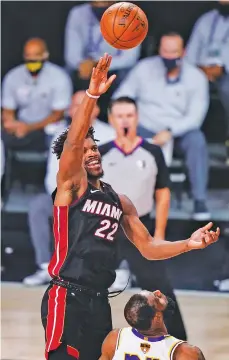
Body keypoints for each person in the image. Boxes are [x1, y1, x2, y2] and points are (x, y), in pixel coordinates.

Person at [41, 53, 220, 360]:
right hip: (66, 295)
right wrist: (92, 95)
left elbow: (148, 247)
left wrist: (188, 244)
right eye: (84, 150)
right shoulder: (70, 189)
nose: (92, 153)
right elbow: (73, 142)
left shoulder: (119, 200)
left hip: (99, 300)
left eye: (95, 147)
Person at [99, 96, 186, 340]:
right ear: (111, 119)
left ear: (137, 118)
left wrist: (158, 234)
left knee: (162, 292)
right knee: (91, 287)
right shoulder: (102, 153)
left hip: (142, 229)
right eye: (119, 115)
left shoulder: (152, 151)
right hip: (106, 228)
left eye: (129, 115)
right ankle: (91, 342)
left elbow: (163, 193)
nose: (124, 120)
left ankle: (176, 343)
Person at [113, 32, 210, 220]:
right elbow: (121, 97)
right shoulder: (143, 69)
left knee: (197, 141)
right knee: (124, 139)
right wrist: (130, 121)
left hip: (179, 129)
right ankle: (130, 199)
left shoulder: (196, 77)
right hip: (144, 125)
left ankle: (200, 200)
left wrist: (170, 132)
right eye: (165, 51)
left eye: (173, 52)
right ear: (159, 50)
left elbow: (195, 117)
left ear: (184, 52)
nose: (168, 57)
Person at [23, 90, 115, 286]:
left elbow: (111, 176)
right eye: (76, 105)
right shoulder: (60, 136)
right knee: (38, 206)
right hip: (65, 196)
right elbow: (51, 177)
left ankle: (116, 269)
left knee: (120, 206)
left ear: (96, 109)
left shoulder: (109, 135)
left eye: (85, 105)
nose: (79, 110)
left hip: (98, 197)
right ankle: (46, 267)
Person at [2, 38, 72, 150]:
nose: (32, 59)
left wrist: (29, 128)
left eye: (36, 55)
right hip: (21, 125)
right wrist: (11, 123)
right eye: (28, 55)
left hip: (49, 128)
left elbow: (58, 114)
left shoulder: (59, 77)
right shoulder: (13, 76)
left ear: (45, 55)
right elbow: (8, 109)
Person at [99, 290, 206, 359]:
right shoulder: (185, 353)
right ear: (157, 317)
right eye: (156, 298)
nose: (158, 292)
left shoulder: (114, 339)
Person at [186, 1, 229, 163]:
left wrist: (222, 68)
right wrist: (201, 71)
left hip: (226, 74)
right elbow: (190, 55)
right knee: (187, 83)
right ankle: (186, 139)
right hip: (200, 71)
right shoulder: (206, 20)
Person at [64, 1, 140, 86]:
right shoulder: (78, 13)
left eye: (105, 2)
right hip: (85, 70)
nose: (100, 5)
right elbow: (71, 56)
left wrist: (99, 65)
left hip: (116, 71)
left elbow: (130, 59)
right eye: (96, 3)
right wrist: (82, 64)